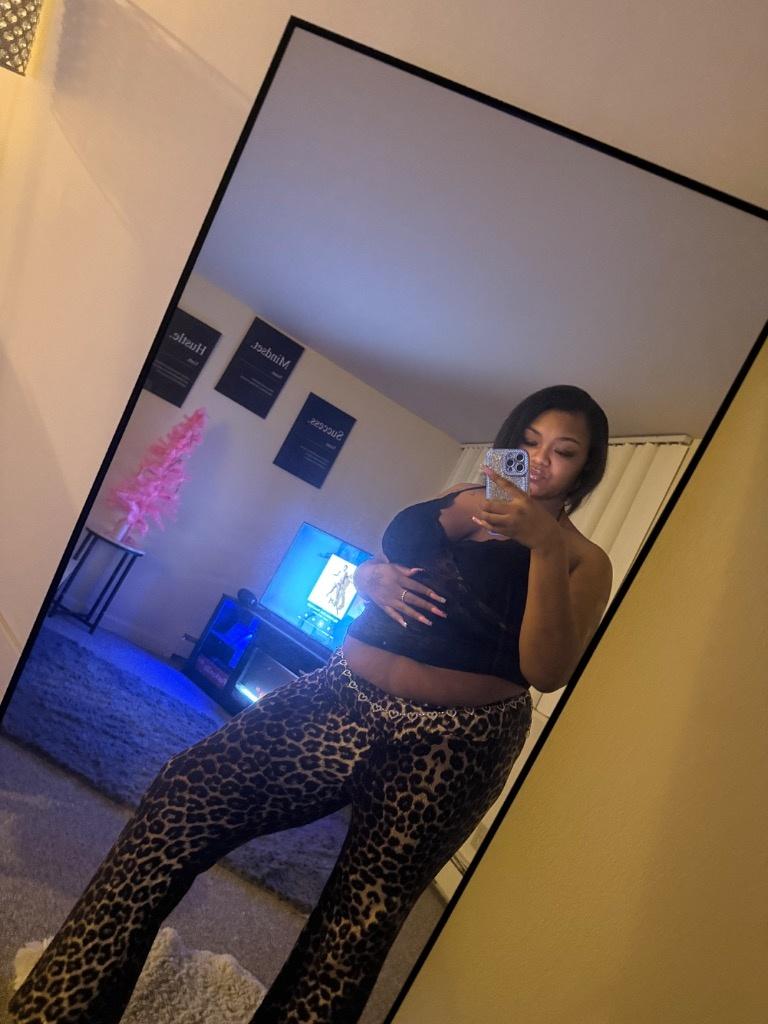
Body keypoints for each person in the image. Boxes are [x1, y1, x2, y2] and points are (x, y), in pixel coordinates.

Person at [9, 385, 612, 1024]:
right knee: (184, 792)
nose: (540, 460)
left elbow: (547, 671)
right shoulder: (466, 498)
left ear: (585, 470)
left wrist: (544, 545)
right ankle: (62, 1007)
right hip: (339, 695)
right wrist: (367, 576)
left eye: (563, 452)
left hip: (455, 747)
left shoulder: (581, 559)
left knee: (357, 926)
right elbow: (392, 560)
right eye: (530, 442)